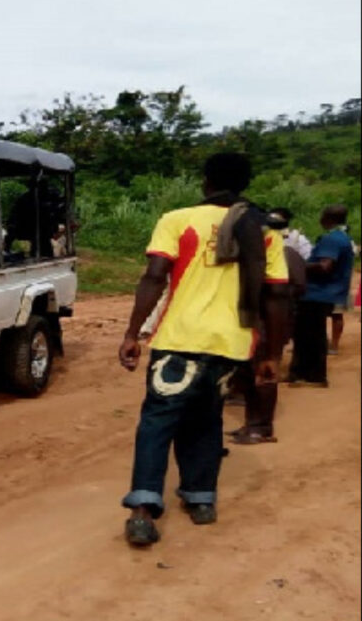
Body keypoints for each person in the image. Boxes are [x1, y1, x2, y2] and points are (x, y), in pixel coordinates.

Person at [117, 152, 289, 546]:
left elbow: (155, 276)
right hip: (231, 345)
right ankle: (201, 499)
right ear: (244, 184)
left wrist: (132, 333)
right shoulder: (264, 229)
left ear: (206, 181)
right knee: (206, 418)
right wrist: (270, 356)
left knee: (158, 421)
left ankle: (143, 509)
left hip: (180, 340)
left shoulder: (177, 220)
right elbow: (277, 296)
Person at [227, 208, 308, 445]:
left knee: (264, 372)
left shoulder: (287, 255)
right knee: (248, 374)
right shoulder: (268, 255)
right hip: (255, 319)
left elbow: (295, 288)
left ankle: (261, 426)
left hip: (269, 320)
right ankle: (251, 422)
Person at [289, 205, 355, 386]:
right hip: (325, 293)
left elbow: (325, 265)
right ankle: (306, 374)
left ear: (326, 217)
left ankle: (311, 376)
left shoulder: (331, 239)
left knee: (308, 336)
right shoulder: (342, 237)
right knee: (313, 335)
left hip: (317, 293)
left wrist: (297, 266)